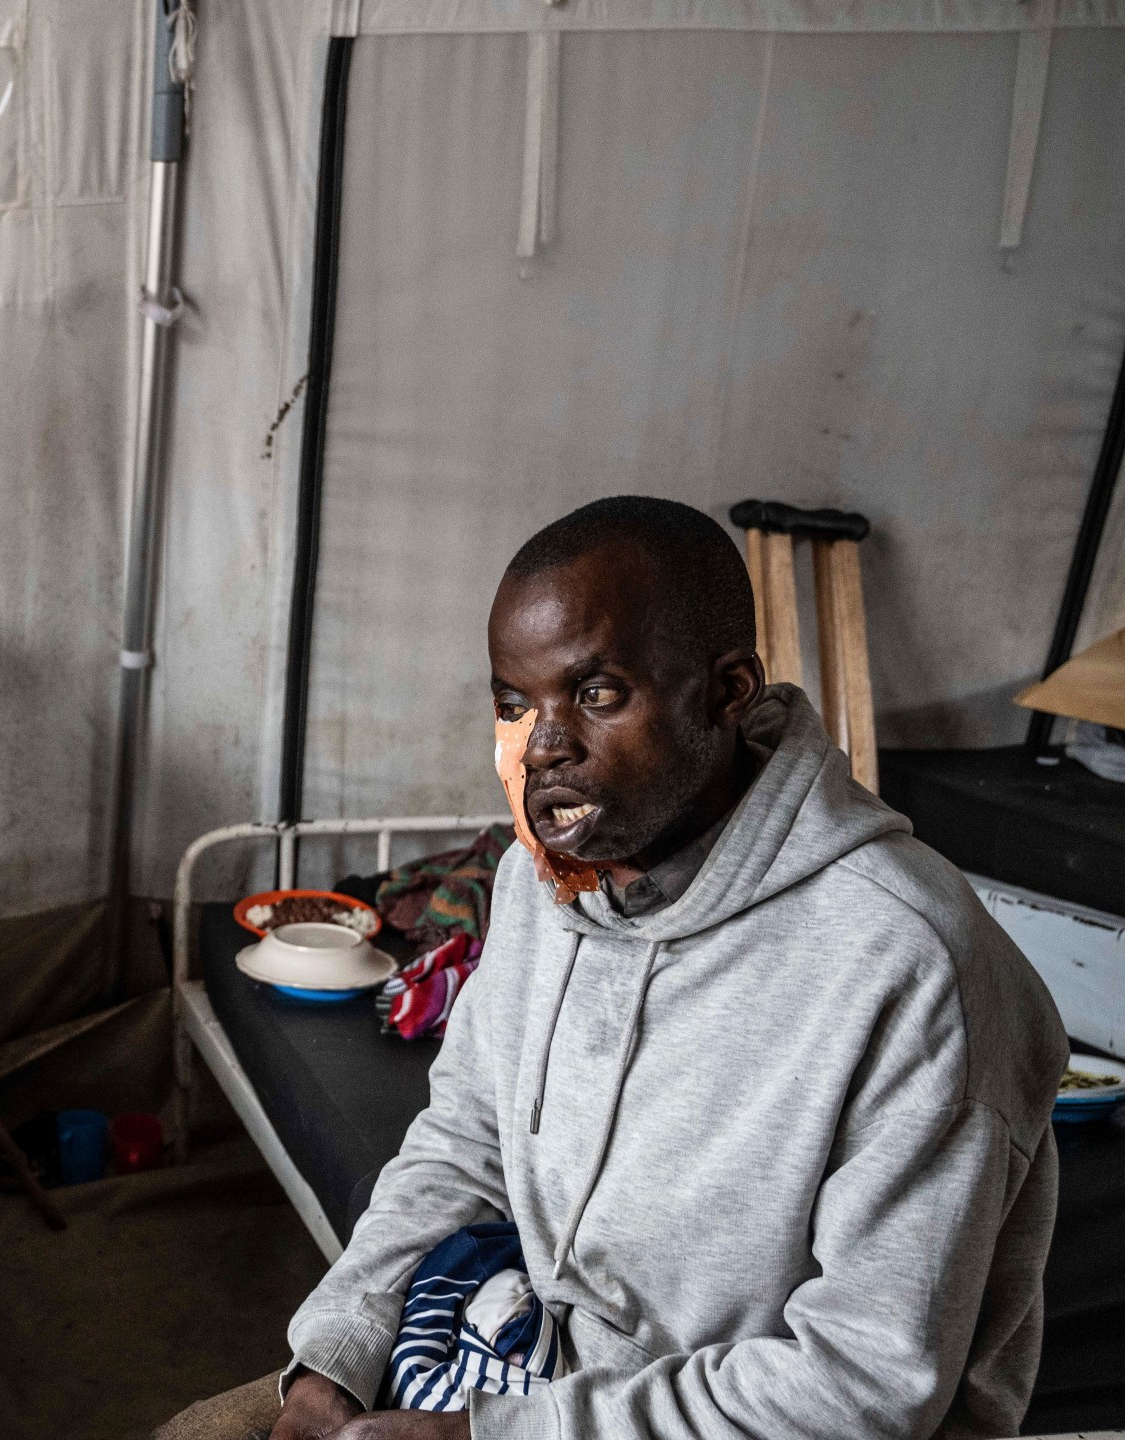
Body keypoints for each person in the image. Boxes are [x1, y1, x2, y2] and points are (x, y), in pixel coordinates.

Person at [162, 496, 1064, 1440]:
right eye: (515, 704)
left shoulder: (911, 965)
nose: (544, 748)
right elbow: (467, 1135)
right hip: (529, 1353)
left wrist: (499, 1433)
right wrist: (339, 1354)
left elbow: (866, 1386)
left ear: (727, 691)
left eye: (596, 694)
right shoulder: (537, 883)